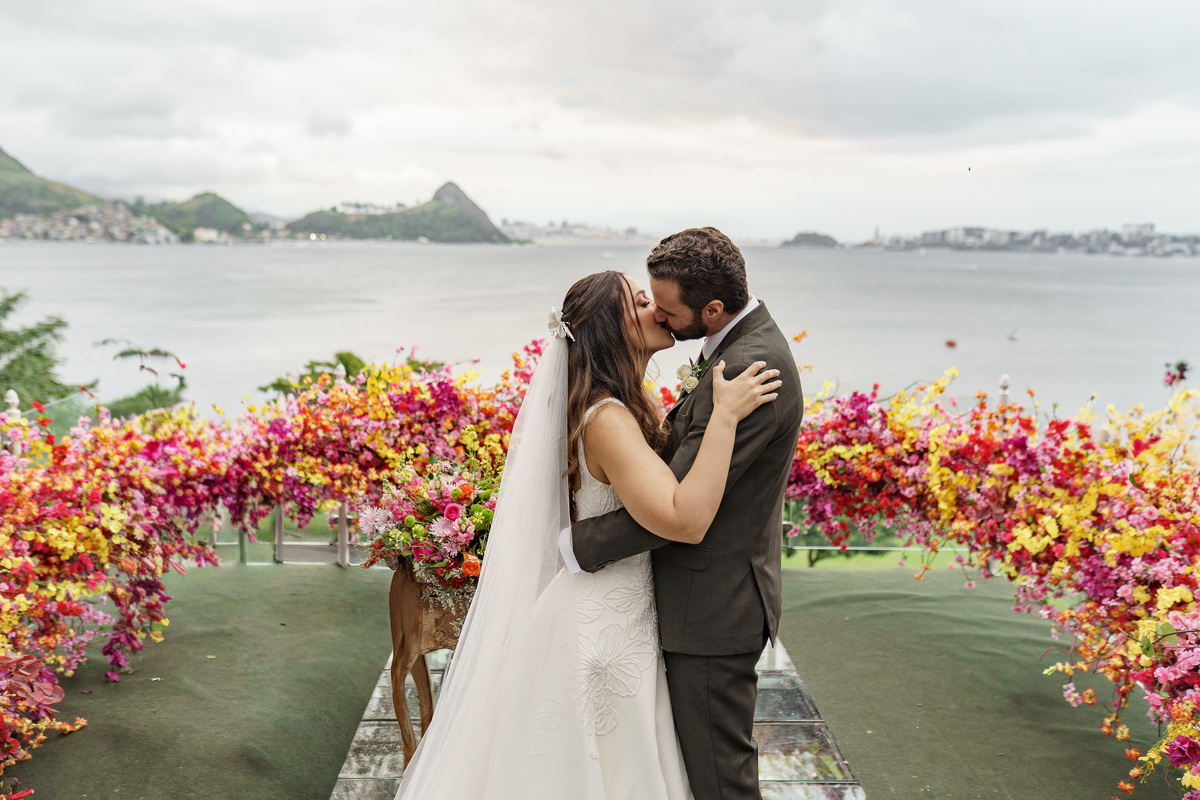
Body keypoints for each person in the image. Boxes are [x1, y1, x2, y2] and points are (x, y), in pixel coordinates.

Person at [396, 268, 781, 799]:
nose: (656, 310)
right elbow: (679, 517)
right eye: (641, 303)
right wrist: (724, 418)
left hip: (622, 604)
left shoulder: (622, 404)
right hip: (604, 624)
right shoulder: (610, 419)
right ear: (613, 331)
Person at [564, 228, 805, 800]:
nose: (661, 318)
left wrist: (575, 545)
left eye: (666, 308)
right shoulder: (732, 352)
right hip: (691, 601)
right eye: (647, 303)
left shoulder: (748, 371)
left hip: (712, 607)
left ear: (713, 308)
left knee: (722, 782)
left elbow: (679, 507)